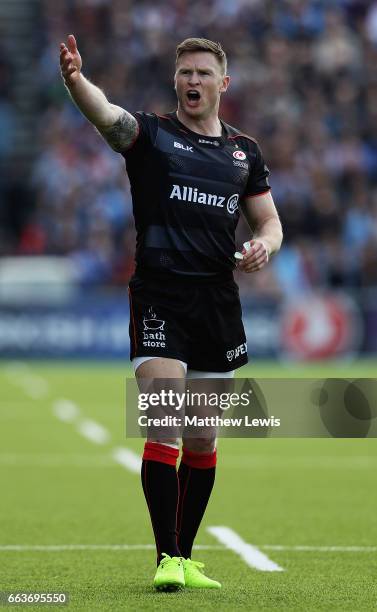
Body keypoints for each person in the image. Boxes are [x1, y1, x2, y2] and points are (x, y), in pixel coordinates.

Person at [60, 34, 283, 591]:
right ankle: (167, 559)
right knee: (164, 423)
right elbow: (107, 115)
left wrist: (266, 246)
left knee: (203, 439)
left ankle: (183, 555)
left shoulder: (244, 152)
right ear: (175, 80)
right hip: (161, 295)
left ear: (222, 84)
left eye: (203, 73)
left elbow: (269, 222)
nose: (192, 81)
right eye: (185, 72)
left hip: (217, 301)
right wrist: (74, 82)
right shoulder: (153, 136)